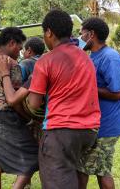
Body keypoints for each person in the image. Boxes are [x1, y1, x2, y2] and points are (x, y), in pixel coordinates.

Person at [27, 10, 100, 189]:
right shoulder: (86, 58)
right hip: (89, 131)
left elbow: (33, 104)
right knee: (71, 176)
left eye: (44, 33)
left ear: (49, 32)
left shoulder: (46, 61)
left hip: (61, 131)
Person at [0, 27, 38, 189]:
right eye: (19, 47)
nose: (20, 51)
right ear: (11, 43)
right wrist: (29, 118)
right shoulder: (11, 64)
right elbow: (15, 101)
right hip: (1, 117)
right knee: (34, 156)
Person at [77, 18, 120, 189]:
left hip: (107, 125)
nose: (79, 37)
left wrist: (87, 86)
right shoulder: (93, 56)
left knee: (87, 169)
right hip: (97, 123)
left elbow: (118, 93)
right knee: (98, 169)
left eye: (81, 33)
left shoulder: (110, 57)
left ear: (91, 34)